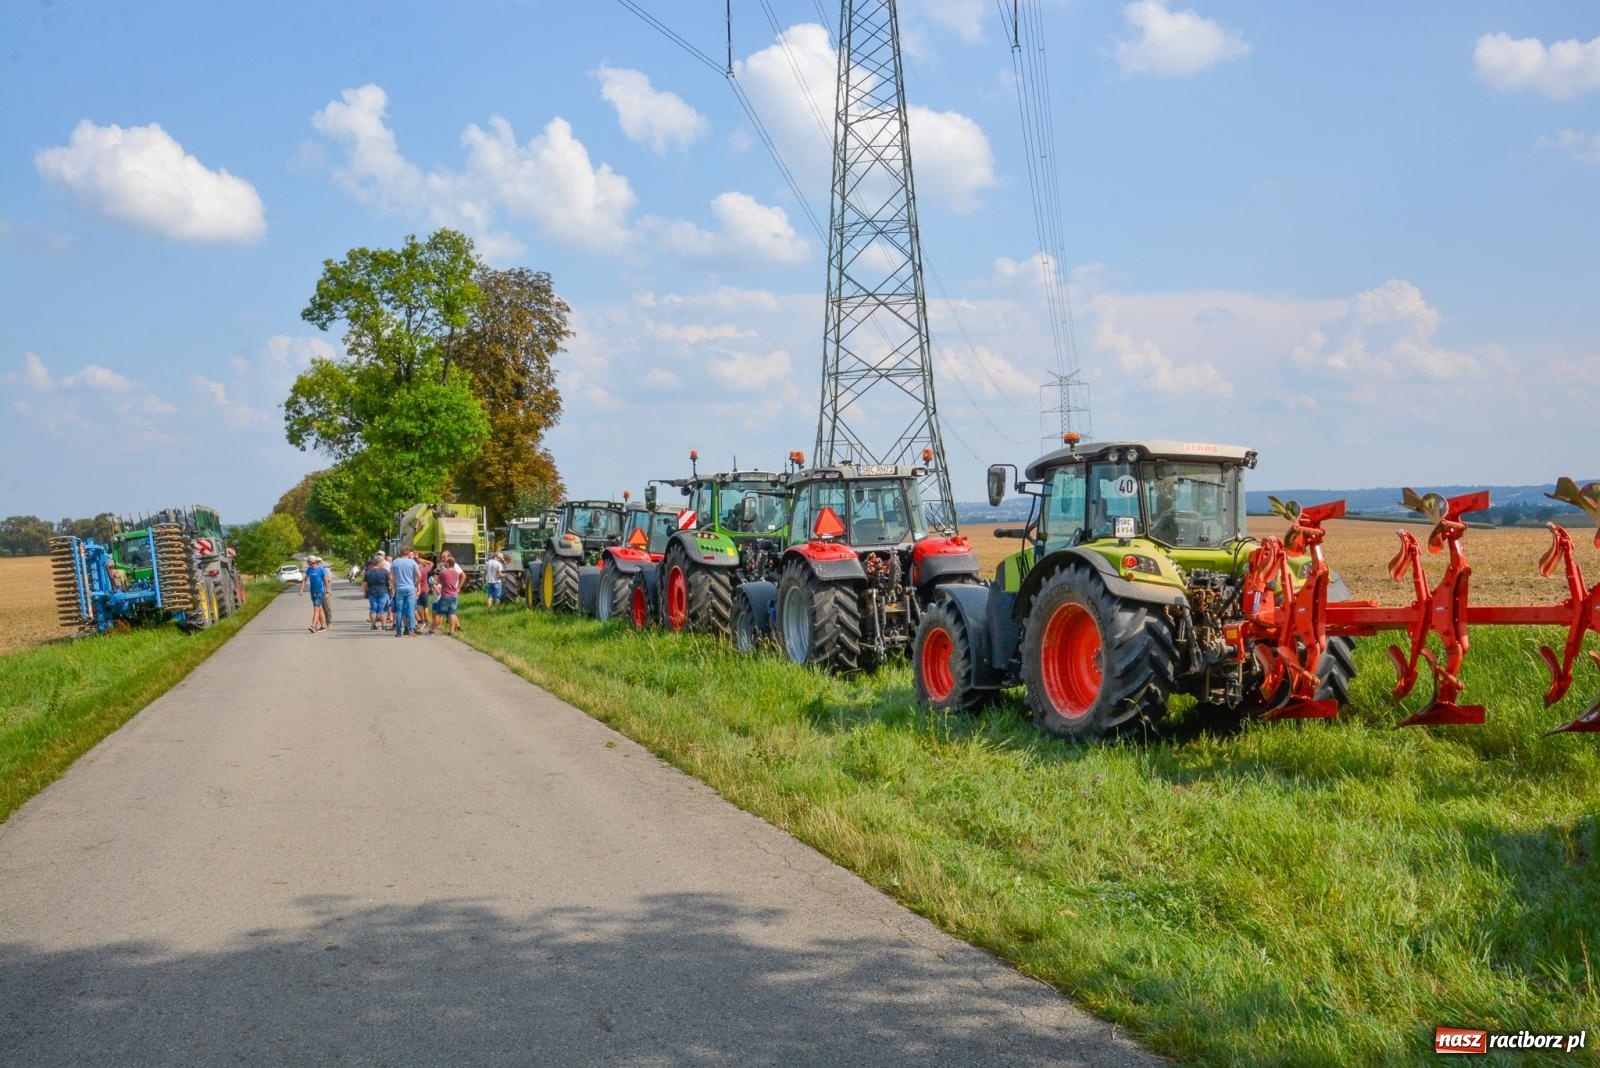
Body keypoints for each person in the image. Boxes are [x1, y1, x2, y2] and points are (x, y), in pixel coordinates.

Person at [389, 548, 421, 637]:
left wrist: (394, 585)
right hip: (410, 588)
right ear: (408, 553)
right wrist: (416, 584)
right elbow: (419, 575)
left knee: (399, 611)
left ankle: (398, 632)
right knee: (411, 610)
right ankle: (411, 631)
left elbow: (390, 575)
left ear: (400, 553)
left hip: (400, 588)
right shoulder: (412, 562)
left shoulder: (395, 562)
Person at [434, 551, 465, 635]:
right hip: (449, 592)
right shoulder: (444, 566)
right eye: (442, 557)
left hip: (449, 592)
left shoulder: (455, 565)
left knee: (441, 612)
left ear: (450, 557)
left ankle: (433, 629)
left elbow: (463, 575)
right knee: (452, 611)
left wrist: (458, 587)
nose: (443, 559)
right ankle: (456, 627)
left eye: (445, 557)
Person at [299, 555, 328, 633]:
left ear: (311, 561)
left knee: (316, 609)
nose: (307, 563)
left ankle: (313, 626)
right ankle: (323, 626)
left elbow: (326, 580)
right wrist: (301, 590)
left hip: (320, 591)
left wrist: (328, 591)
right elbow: (305, 580)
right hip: (312, 592)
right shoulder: (309, 570)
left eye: (308, 561)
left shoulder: (321, 569)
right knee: (319, 609)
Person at [363, 554, 390, 630]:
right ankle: (384, 625)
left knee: (373, 609)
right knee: (383, 609)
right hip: (383, 592)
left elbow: (365, 584)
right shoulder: (384, 571)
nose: (383, 563)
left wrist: (365, 592)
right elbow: (389, 582)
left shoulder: (368, 572)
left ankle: (373, 625)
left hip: (372, 592)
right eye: (382, 562)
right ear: (379, 563)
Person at [414, 552, 435, 634]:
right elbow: (432, 563)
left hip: (417, 590)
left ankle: (421, 620)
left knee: (418, 606)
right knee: (425, 606)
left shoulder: (415, 570)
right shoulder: (425, 569)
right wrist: (423, 560)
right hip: (425, 590)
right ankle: (427, 621)